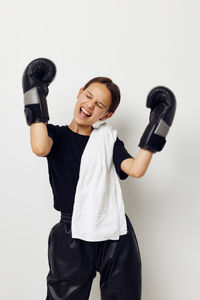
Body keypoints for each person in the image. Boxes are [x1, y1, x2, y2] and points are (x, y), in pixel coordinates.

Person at [22, 58, 176, 300]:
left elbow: (135, 169)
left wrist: (158, 127)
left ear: (107, 114)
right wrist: (34, 93)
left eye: (100, 104)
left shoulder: (108, 141)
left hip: (113, 231)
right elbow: (40, 147)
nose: (90, 105)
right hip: (71, 233)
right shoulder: (56, 135)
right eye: (88, 96)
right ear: (79, 93)